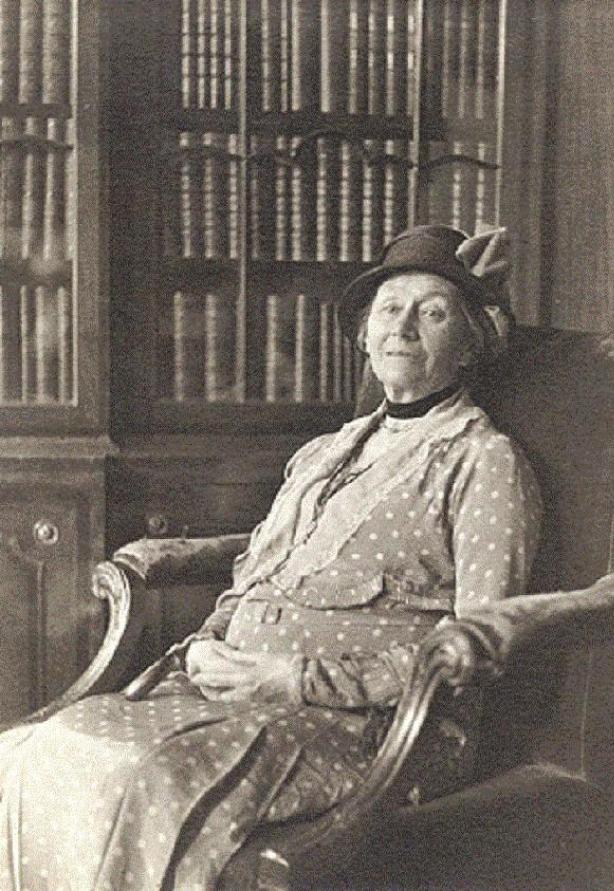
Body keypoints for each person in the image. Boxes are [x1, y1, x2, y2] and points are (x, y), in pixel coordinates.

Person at [0, 225, 542, 891]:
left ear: (470, 345)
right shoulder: (323, 453)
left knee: (152, 779)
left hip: (367, 725)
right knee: (34, 751)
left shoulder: (484, 461)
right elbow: (261, 571)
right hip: (229, 692)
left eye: (433, 313)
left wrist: (296, 677)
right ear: (364, 336)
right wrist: (208, 642)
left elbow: (475, 650)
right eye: (389, 309)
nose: (403, 328)